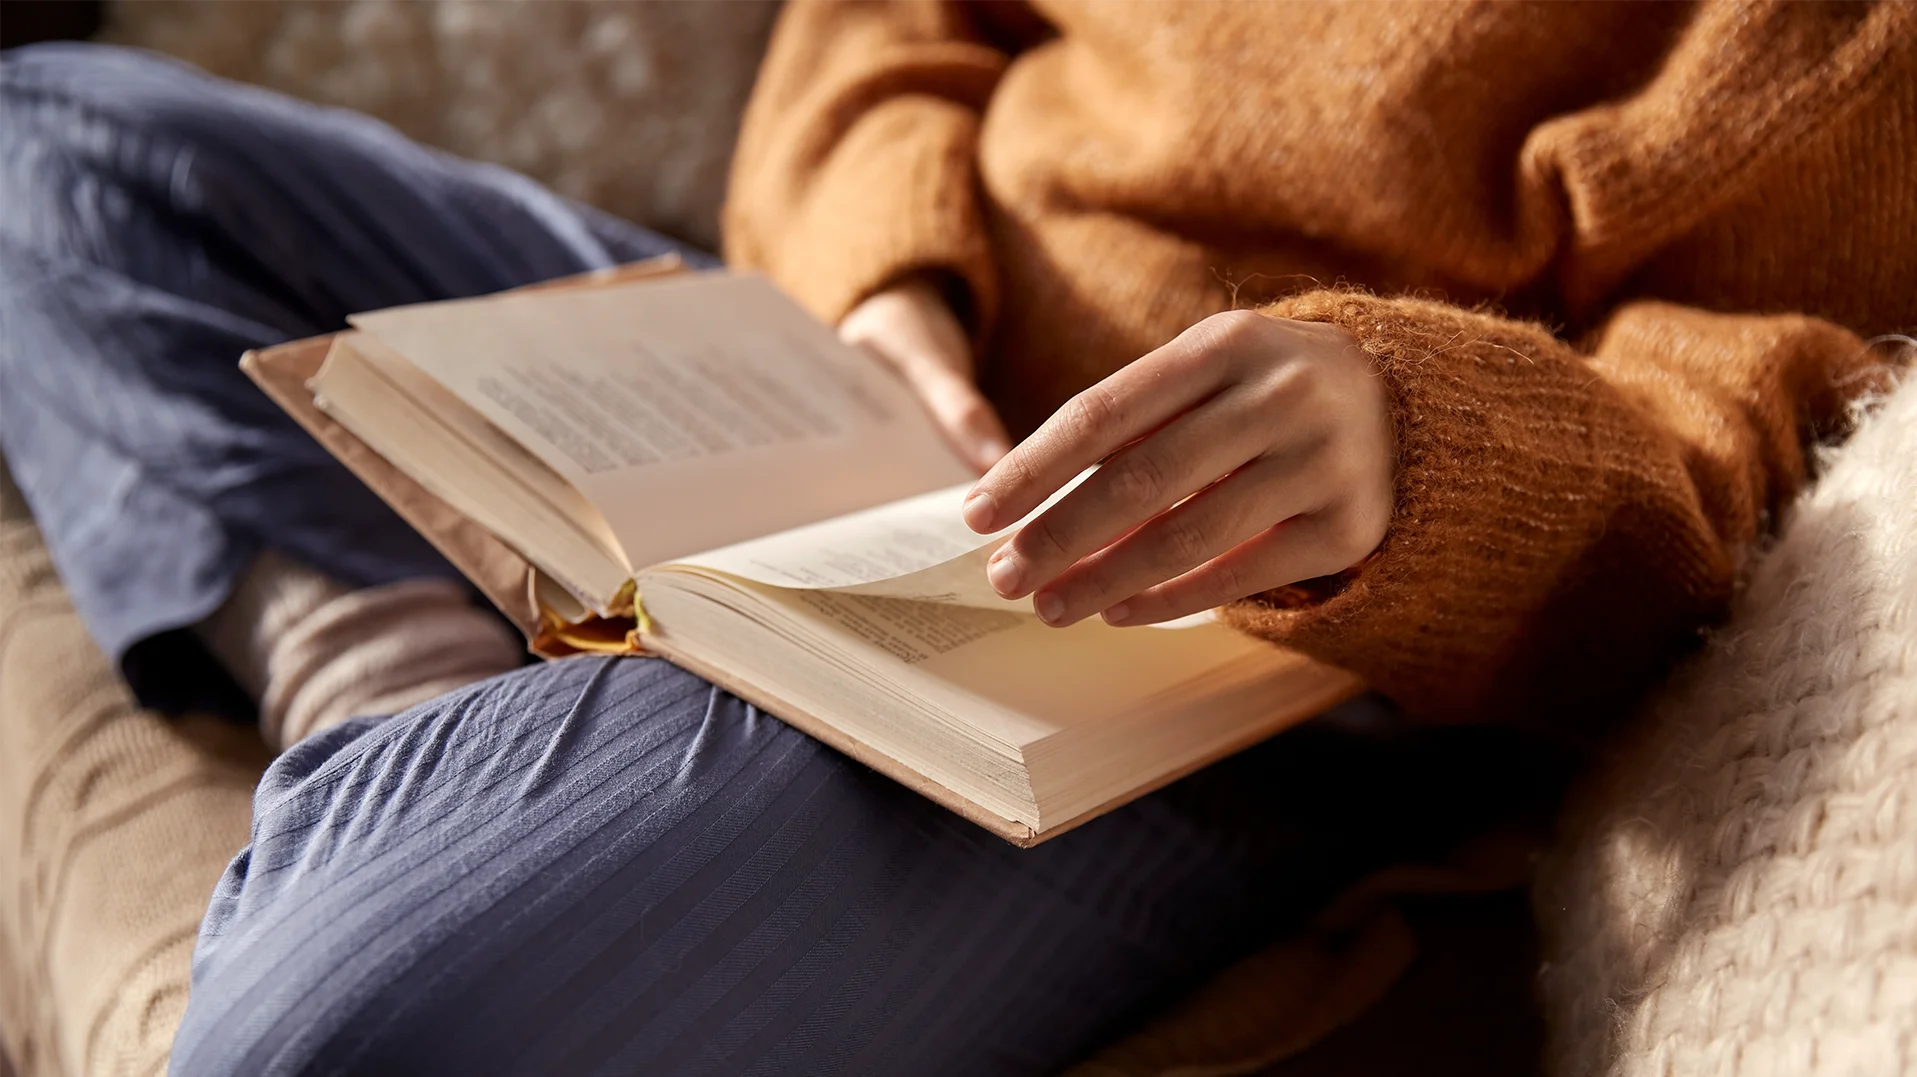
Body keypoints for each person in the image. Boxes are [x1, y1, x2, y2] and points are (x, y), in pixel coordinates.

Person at [0, 0, 1906, 1070]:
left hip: (1202, 648)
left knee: (334, 1028)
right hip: (832, 383)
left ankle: (466, 750)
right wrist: (884, 284)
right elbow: (894, 20)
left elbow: (1752, 445)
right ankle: (410, 706)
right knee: (57, 146)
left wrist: (1420, 443)